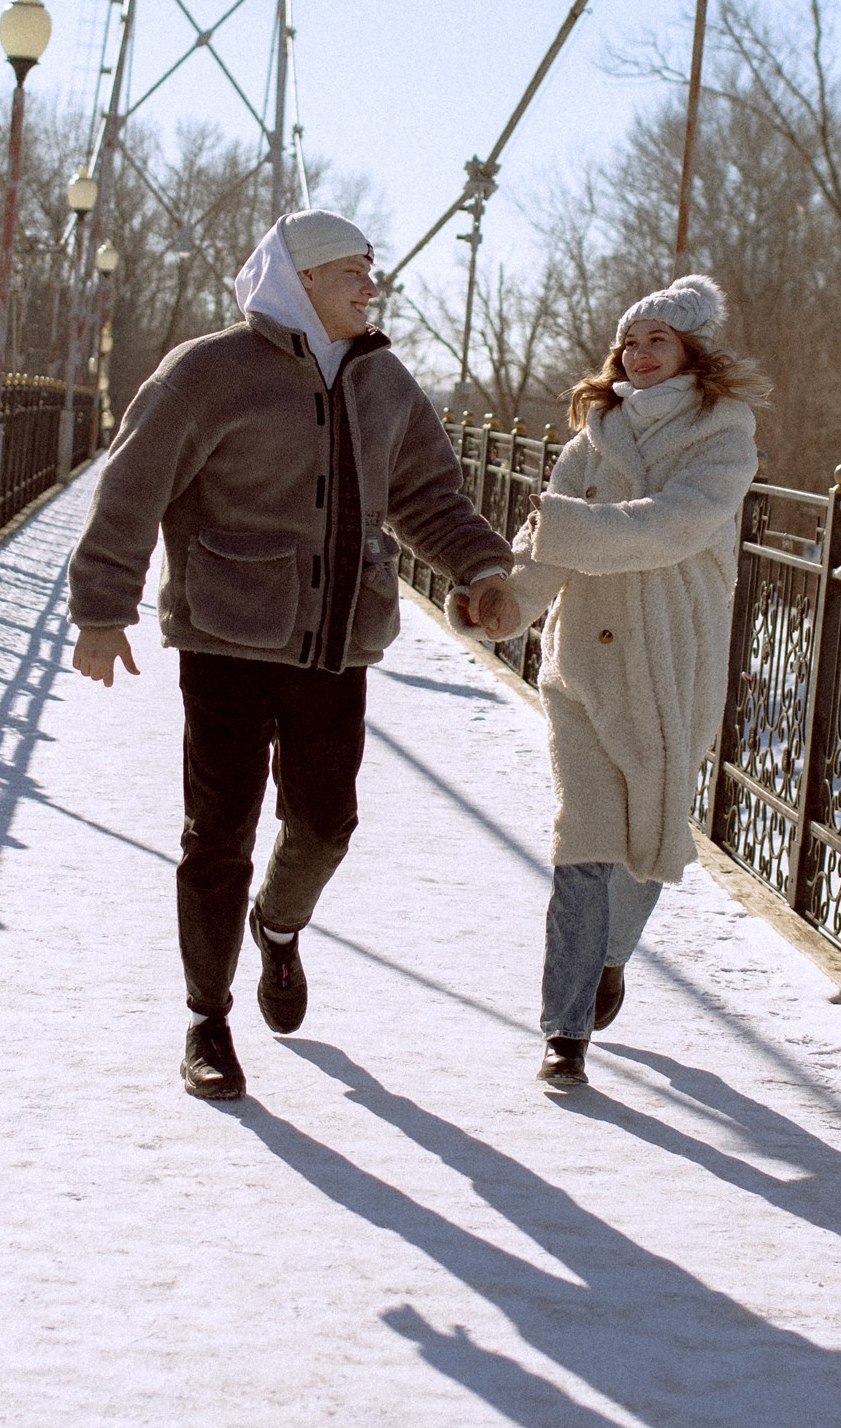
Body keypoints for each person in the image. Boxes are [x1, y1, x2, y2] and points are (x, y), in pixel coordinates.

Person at [68, 209, 522, 1101]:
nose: (370, 283)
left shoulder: (384, 381)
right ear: (301, 278)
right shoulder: (209, 372)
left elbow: (429, 497)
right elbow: (133, 482)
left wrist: (483, 569)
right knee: (219, 832)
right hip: (226, 637)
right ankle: (207, 1017)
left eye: (371, 268)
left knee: (325, 824)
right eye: (352, 269)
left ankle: (277, 926)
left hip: (339, 637)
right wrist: (102, 608)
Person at [485, 272, 763, 1088]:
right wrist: (504, 604)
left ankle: (608, 959)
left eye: (657, 341)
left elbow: (675, 527)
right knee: (583, 840)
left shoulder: (724, 432)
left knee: (649, 838)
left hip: (675, 660)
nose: (638, 356)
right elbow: (544, 547)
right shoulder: (592, 440)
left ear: (691, 351)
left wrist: (565, 525)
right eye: (629, 343)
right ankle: (563, 1029)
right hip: (585, 668)